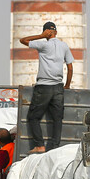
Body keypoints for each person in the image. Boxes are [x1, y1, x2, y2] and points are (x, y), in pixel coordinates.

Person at [19, 21, 75, 152]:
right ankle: (55, 147)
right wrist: (66, 85)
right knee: (57, 119)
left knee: (33, 117)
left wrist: (40, 35)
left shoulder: (43, 44)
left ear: (46, 32)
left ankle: (39, 145)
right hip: (58, 88)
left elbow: (23, 40)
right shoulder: (64, 46)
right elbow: (70, 68)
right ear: (56, 32)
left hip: (43, 86)